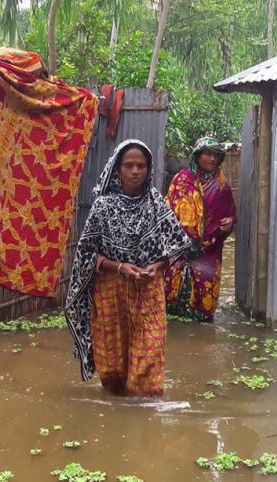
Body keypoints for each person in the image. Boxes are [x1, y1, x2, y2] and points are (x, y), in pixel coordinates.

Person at [64, 139, 191, 396]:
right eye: (129, 165)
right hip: (110, 292)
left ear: (148, 169)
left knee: (149, 365)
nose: (135, 171)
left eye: (141, 166)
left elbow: (177, 245)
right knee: (112, 372)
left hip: (148, 290)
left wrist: (156, 266)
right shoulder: (103, 207)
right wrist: (120, 267)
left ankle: (144, 424)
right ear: (117, 169)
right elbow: (87, 254)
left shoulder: (155, 203)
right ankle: (118, 418)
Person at [165, 137, 237, 323]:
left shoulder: (223, 188)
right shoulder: (181, 180)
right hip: (178, 251)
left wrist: (230, 223)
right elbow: (166, 213)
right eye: (207, 154)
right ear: (197, 156)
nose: (211, 159)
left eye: (215, 156)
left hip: (208, 252)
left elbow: (231, 214)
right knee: (170, 300)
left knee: (204, 305)